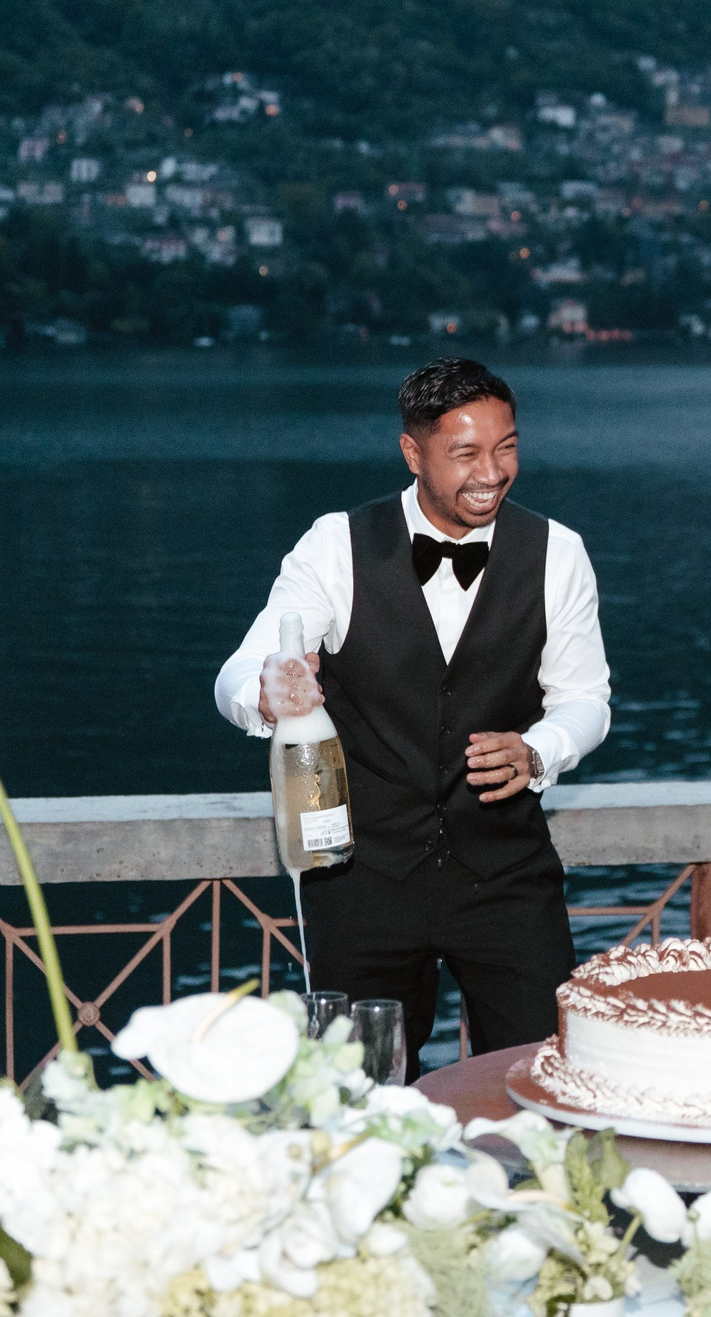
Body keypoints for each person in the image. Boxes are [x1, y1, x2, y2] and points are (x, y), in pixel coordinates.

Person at [212, 358, 609, 1078]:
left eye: (506, 447)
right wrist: (270, 688)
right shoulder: (335, 545)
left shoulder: (560, 554)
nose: (491, 471)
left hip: (507, 875)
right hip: (362, 878)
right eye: (465, 453)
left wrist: (538, 748)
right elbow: (236, 672)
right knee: (359, 1096)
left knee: (545, 1078)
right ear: (412, 452)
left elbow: (586, 700)